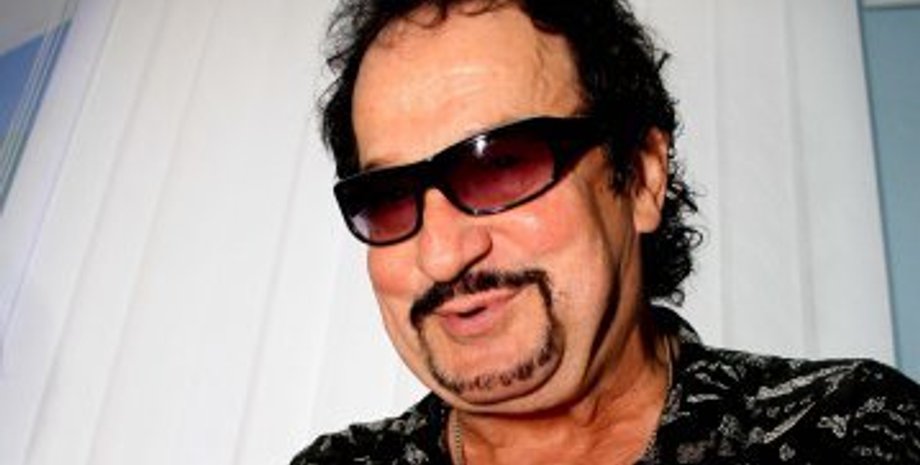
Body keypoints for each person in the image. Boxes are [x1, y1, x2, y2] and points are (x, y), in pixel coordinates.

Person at [292, 0, 920, 463]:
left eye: (501, 166)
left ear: (640, 177)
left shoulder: (850, 431)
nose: (441, 254)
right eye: (389, 196)